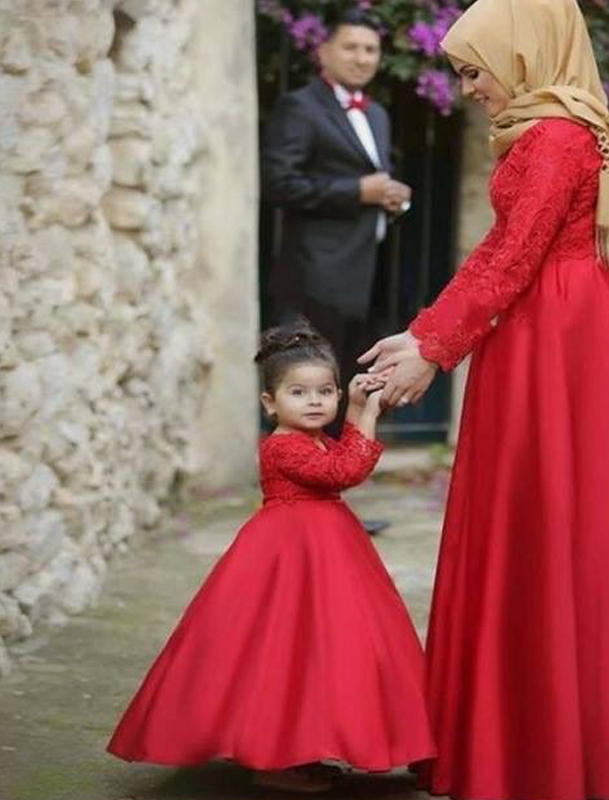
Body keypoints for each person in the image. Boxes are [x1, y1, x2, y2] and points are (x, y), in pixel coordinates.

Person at [360, 1, 609, 799]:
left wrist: (430, 345)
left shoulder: (555, 135)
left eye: (473, 70)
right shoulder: (566, 124)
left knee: (570, 524)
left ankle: (562, 746)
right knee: (559, 520)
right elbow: (505, 254)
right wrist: (430, 335)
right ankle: (556, 733)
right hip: (556, 328)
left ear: (522, 56)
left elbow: (510, 253)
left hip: (556, 337)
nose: (468, 89)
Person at [107, 320, 436, 794]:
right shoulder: (283, 447)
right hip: (288, 553)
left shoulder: (311, 438)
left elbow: (336, 457)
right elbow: (345, 470)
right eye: (299, 393)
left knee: (318, 650)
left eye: (326, 391)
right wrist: (368, 416)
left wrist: (360, 405)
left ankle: (303, 744)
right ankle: (274, 759)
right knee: (283, 649)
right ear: (270, 403)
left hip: (327, 545)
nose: (316, 401)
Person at [264, 8, 411, 434]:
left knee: (350, 392)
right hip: (315, 279)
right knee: (309, 394)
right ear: (323, 51)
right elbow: (278, 184)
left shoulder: (378, 115)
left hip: (368, 276)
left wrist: (392, 199)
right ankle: (302, 487)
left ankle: (335, 482)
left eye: (371, 50)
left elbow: (370, 184)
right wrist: (357, 191)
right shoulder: (300, 107)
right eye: (351, 47)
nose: (362, 58)